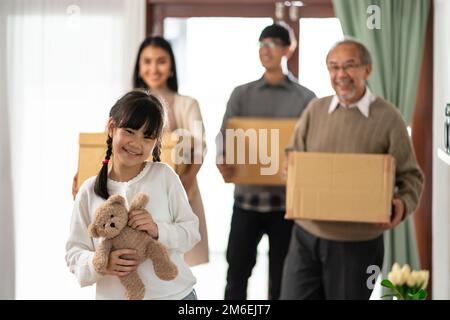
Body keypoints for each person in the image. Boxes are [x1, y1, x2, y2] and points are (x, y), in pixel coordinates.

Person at [280, 39, 424, 300]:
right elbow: (292, 155)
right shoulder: (316, 110)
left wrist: (400, 206)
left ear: (367, 70)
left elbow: (411, 176)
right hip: (306, 235)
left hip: (358, 243)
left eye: (349, 66)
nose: (341, 75)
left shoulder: (389, 117)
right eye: (333, 67)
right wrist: (291, 169)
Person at [73, 36, 208, 267]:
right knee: (133, 253)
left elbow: (200, 147)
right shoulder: (128, 103)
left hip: (175, 189)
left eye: (161, 61)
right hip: (129, 194)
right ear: (139, 66)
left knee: (172, 256)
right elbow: (105, 144)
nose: (153, 68)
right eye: (147, 61)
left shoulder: (187, 104)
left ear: (172, 66)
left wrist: (183, 182)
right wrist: (85, 177)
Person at [66, 90, 200, 300]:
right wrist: (101, 263)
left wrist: (158, 230)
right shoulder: (88, 191)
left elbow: (191, 233)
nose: (136, 143)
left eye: (147, 137)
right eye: (129, 131)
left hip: (176, 296)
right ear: (112, 128)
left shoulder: (164, 176)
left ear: (155, 141)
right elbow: (74, 253)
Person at [216, 23, 316, 300]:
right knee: (236, 274)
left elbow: (312, 148)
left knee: (283, 278)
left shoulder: (306, 98)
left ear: (288, 49)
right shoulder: (241, 94)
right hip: (246, 203)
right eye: (261, 44)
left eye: (272, 43)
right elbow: (225, 137)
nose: (265, 50)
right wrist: (223, 159)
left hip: (286, 206)